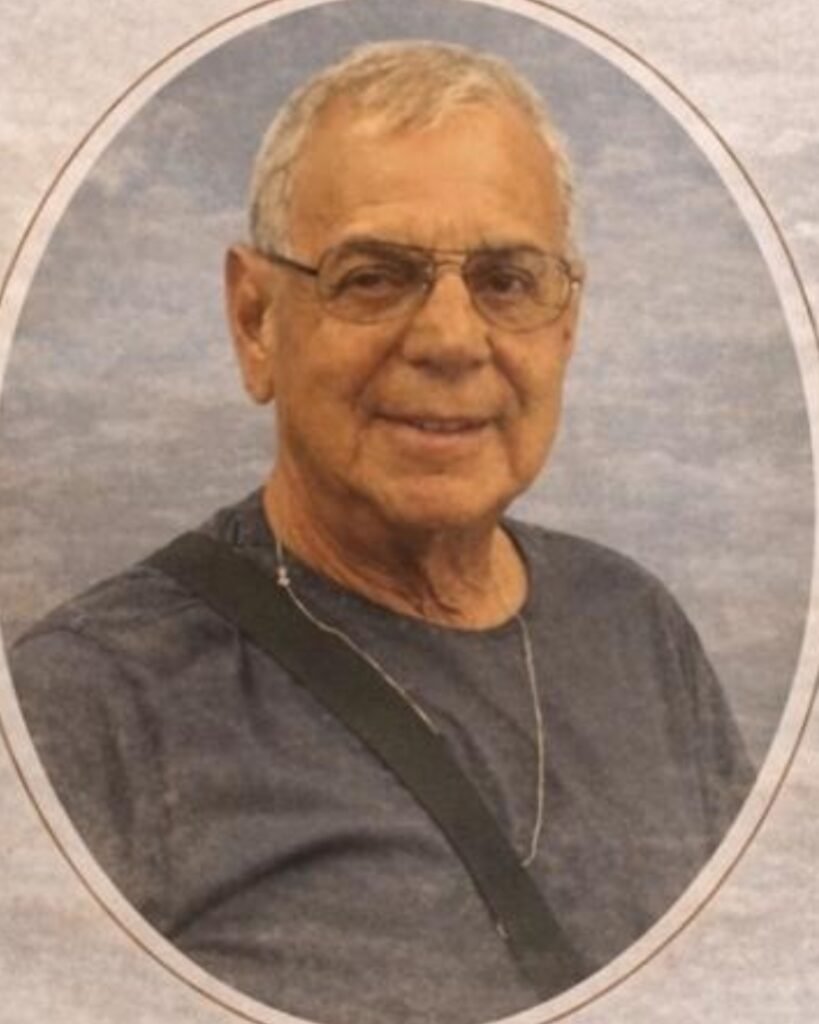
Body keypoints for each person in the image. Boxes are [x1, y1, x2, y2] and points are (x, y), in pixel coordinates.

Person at [9, 41, 752, 1024]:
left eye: (506, 280)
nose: (450, 339)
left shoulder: (637, 629)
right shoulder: (88, 706)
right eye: (373, 277)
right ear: (255, 319)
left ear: (565, 324)